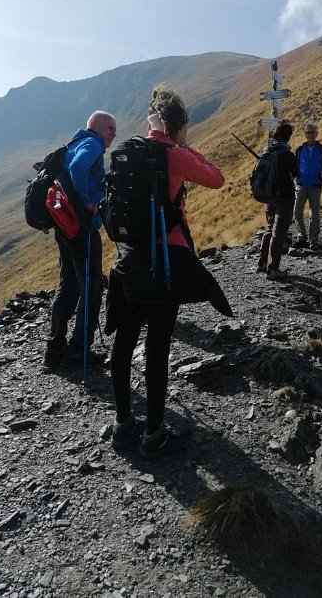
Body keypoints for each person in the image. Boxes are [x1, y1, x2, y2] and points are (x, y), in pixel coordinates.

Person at [106, 85, 232, 459]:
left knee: (124, 344)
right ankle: (155, 433)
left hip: (127, 260)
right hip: (164, 261)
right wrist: (182, 146)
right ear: (178, 125)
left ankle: (123, 424)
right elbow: (216, 177)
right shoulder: (174, 154)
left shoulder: (131, 151)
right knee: (158, 347)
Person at [42, 111, 117, 368]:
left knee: (69, 285)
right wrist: (87, 201)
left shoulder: (74, 143)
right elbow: (77, 167)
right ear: (95, 126)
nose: (113, 133)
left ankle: (54, 351)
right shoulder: (92, 143)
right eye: (110, 128)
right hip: (81, 228)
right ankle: (78, 351)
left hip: (65, 227)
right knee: (91, 287)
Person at [256, 120, 298, 280]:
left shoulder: (267, 150)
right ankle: (273, 269)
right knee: (279, 232)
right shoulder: (287, 154)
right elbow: (295, 173)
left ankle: (262, 263)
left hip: (269, 196)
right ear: (288, 137)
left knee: (269, 228)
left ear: (275, 135)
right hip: (285, 197)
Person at [293, 121, 322, 251]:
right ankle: (302, 237)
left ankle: (313, 240)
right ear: (305, 134)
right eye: (308, 132)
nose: (310, 135)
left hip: (315, 186)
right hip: (301, 185)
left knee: (314, 214)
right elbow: (294, 167)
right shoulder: (299, 150)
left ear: (316, 134)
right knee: (297, 212)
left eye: (312, 132)